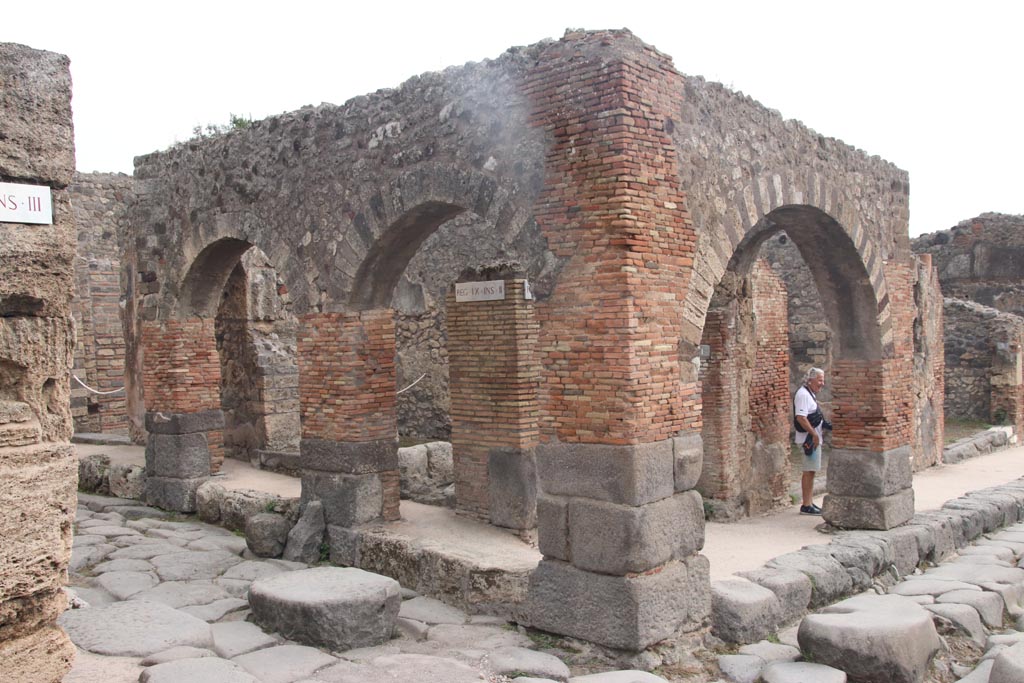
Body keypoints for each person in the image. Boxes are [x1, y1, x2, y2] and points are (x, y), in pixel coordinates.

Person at [794, 367, 830, 515]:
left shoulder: (810, 394)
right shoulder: (803, 395)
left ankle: (808, 502)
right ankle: (806, 505)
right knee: (809, 471)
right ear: (810, 380)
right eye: (819, 380)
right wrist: (814, 434)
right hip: (808, 439)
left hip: (814, 438)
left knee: (812, 471)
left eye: (823, 380)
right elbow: (801, 418)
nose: (822, 383)